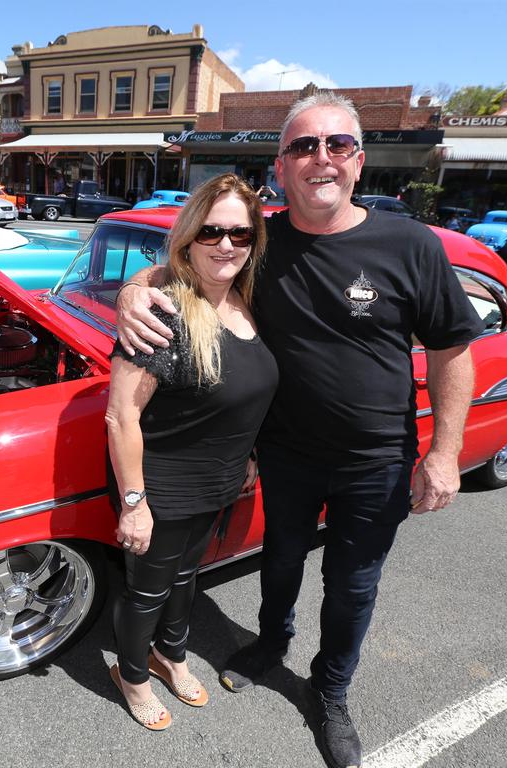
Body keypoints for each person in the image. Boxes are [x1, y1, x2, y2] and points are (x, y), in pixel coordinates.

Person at [115, 93, 481, 766]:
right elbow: (190, 263)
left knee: (352, 585)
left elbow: (453, 350)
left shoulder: (409, 243)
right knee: (279, 563)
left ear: (359, 160)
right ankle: (270, 642)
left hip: (376, 459)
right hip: (285, 454)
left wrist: (445, 452)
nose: (322, 158)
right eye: (304, 146)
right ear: (280, 166)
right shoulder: (261, 241)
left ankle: (331, 691)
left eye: (337, 144)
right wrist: (135, 289)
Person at [106, 173, 277, 730]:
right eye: (211, 231)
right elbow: (121, 415)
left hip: (218, 482)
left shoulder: (250, 304)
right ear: (187, 237)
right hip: (161, 486)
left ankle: (170, 656)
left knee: (187, 579)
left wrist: (247, 456)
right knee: (147, 591)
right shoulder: (163, 311)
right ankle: (131, 675)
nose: (226, 244)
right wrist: (134, 503)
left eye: (240, 234)